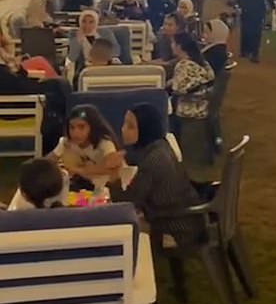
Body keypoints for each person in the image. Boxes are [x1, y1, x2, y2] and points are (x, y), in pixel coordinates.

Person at [112, 102, 202, 247]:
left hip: (174, 230)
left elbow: (127, 203)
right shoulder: (161, 147)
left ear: (145, 129)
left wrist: (113, 177)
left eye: (130, 126)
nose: (123, 130)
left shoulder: (153, 160)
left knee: (116, 227)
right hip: (186, 220)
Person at [50, 105, 123, 191]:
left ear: (93, 127)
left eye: (81, 127)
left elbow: (111, 170)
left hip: (104, 189)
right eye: (72, 127)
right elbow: (49, 161)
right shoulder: (66, 143)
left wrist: (77, 170)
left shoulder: (105, 144)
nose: (75, 132)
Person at [68, 10, 121, 85]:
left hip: (106, 64)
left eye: (91, 22)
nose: (87, 25)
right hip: (86, 67)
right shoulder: (74, 35)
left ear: (96, 22)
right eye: (84, 21)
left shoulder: (105, 33)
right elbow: (72, 58)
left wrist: (103, 57)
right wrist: (78, 42)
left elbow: (116, 50)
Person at [171, 33, 213, 122]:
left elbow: (176, 89)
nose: (171, 46)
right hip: (203, 107)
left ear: (179, 46)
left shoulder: (183, 65)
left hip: (188, 111)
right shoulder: (203, 63)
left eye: (173, 43)